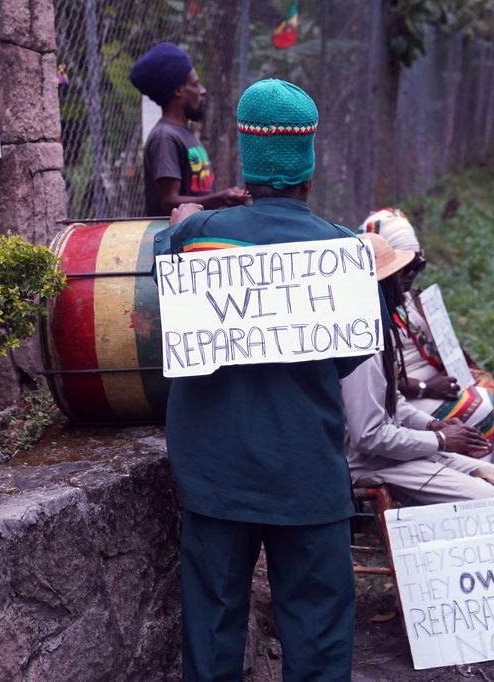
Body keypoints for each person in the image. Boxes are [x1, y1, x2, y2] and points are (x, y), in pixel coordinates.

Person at [155, 79, 372, 681]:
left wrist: (182, 224)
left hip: (215, 477)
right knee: (320, 630)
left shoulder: (194, 240)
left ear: (247, 162)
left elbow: (167, 324)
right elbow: (351, 354)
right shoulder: (342, 251)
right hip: (308, 473)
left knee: (215, 626)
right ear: (308, 162)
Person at [343, 232, 494, 555]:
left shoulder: (378, 330)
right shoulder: (362, 350)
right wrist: (439, 441)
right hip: (371, 464)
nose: (404, 285)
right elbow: (369, 437)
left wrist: (432, 427)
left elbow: (393, 402)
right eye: (394, 278)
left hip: (393, 452)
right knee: (488, 498)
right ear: (378, 288)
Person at [359, 208, 494, 470]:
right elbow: (380, 392)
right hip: (408, 397)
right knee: (479, 407)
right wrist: (426, 389)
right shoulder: (371, 316)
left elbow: (446, 346)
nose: (412, 274)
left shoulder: (410, 298)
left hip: (429, 390)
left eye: (418, 265)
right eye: (404, 268)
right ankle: (483, 476)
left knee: (483, 389)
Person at [129, 42, 249, 216]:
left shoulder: (184, 133)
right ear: (179, 91)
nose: (203, 91)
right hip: (176, 239)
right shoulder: (165, 137)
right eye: (196, 85)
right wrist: (222, 198)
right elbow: (168, 202)